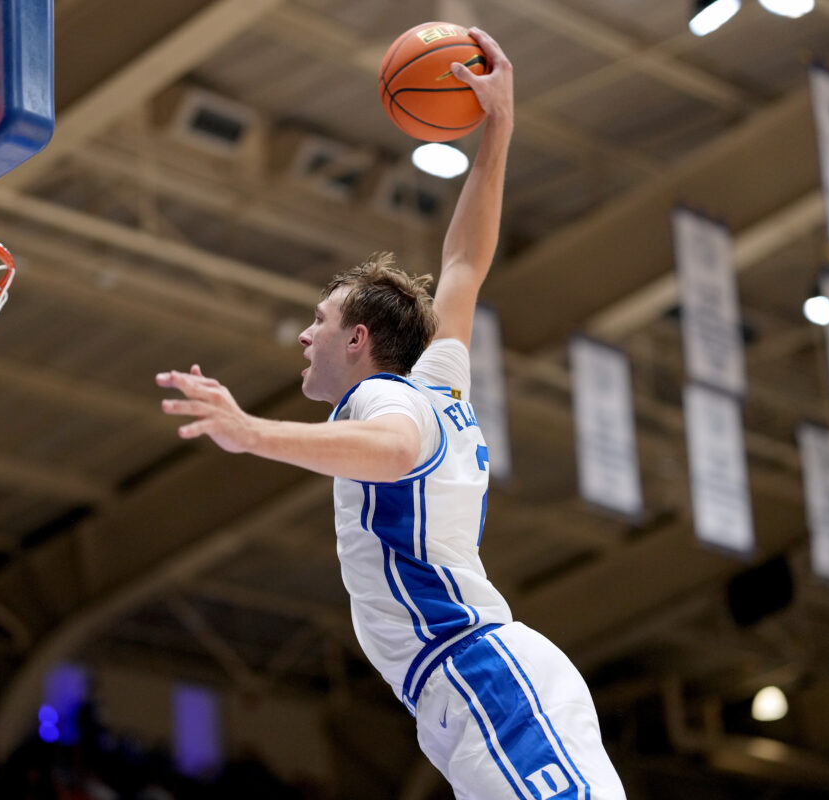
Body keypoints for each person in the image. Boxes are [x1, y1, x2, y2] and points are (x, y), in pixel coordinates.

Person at [157, 28, 625, 800]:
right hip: (478, 687)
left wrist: (250, 434)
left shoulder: (387, 400)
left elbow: (391, 449)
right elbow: (466, 266)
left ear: (361, 339)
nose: (306, 334)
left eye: (321, 319)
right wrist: (499, 128)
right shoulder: (437, 380)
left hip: (483, 682)